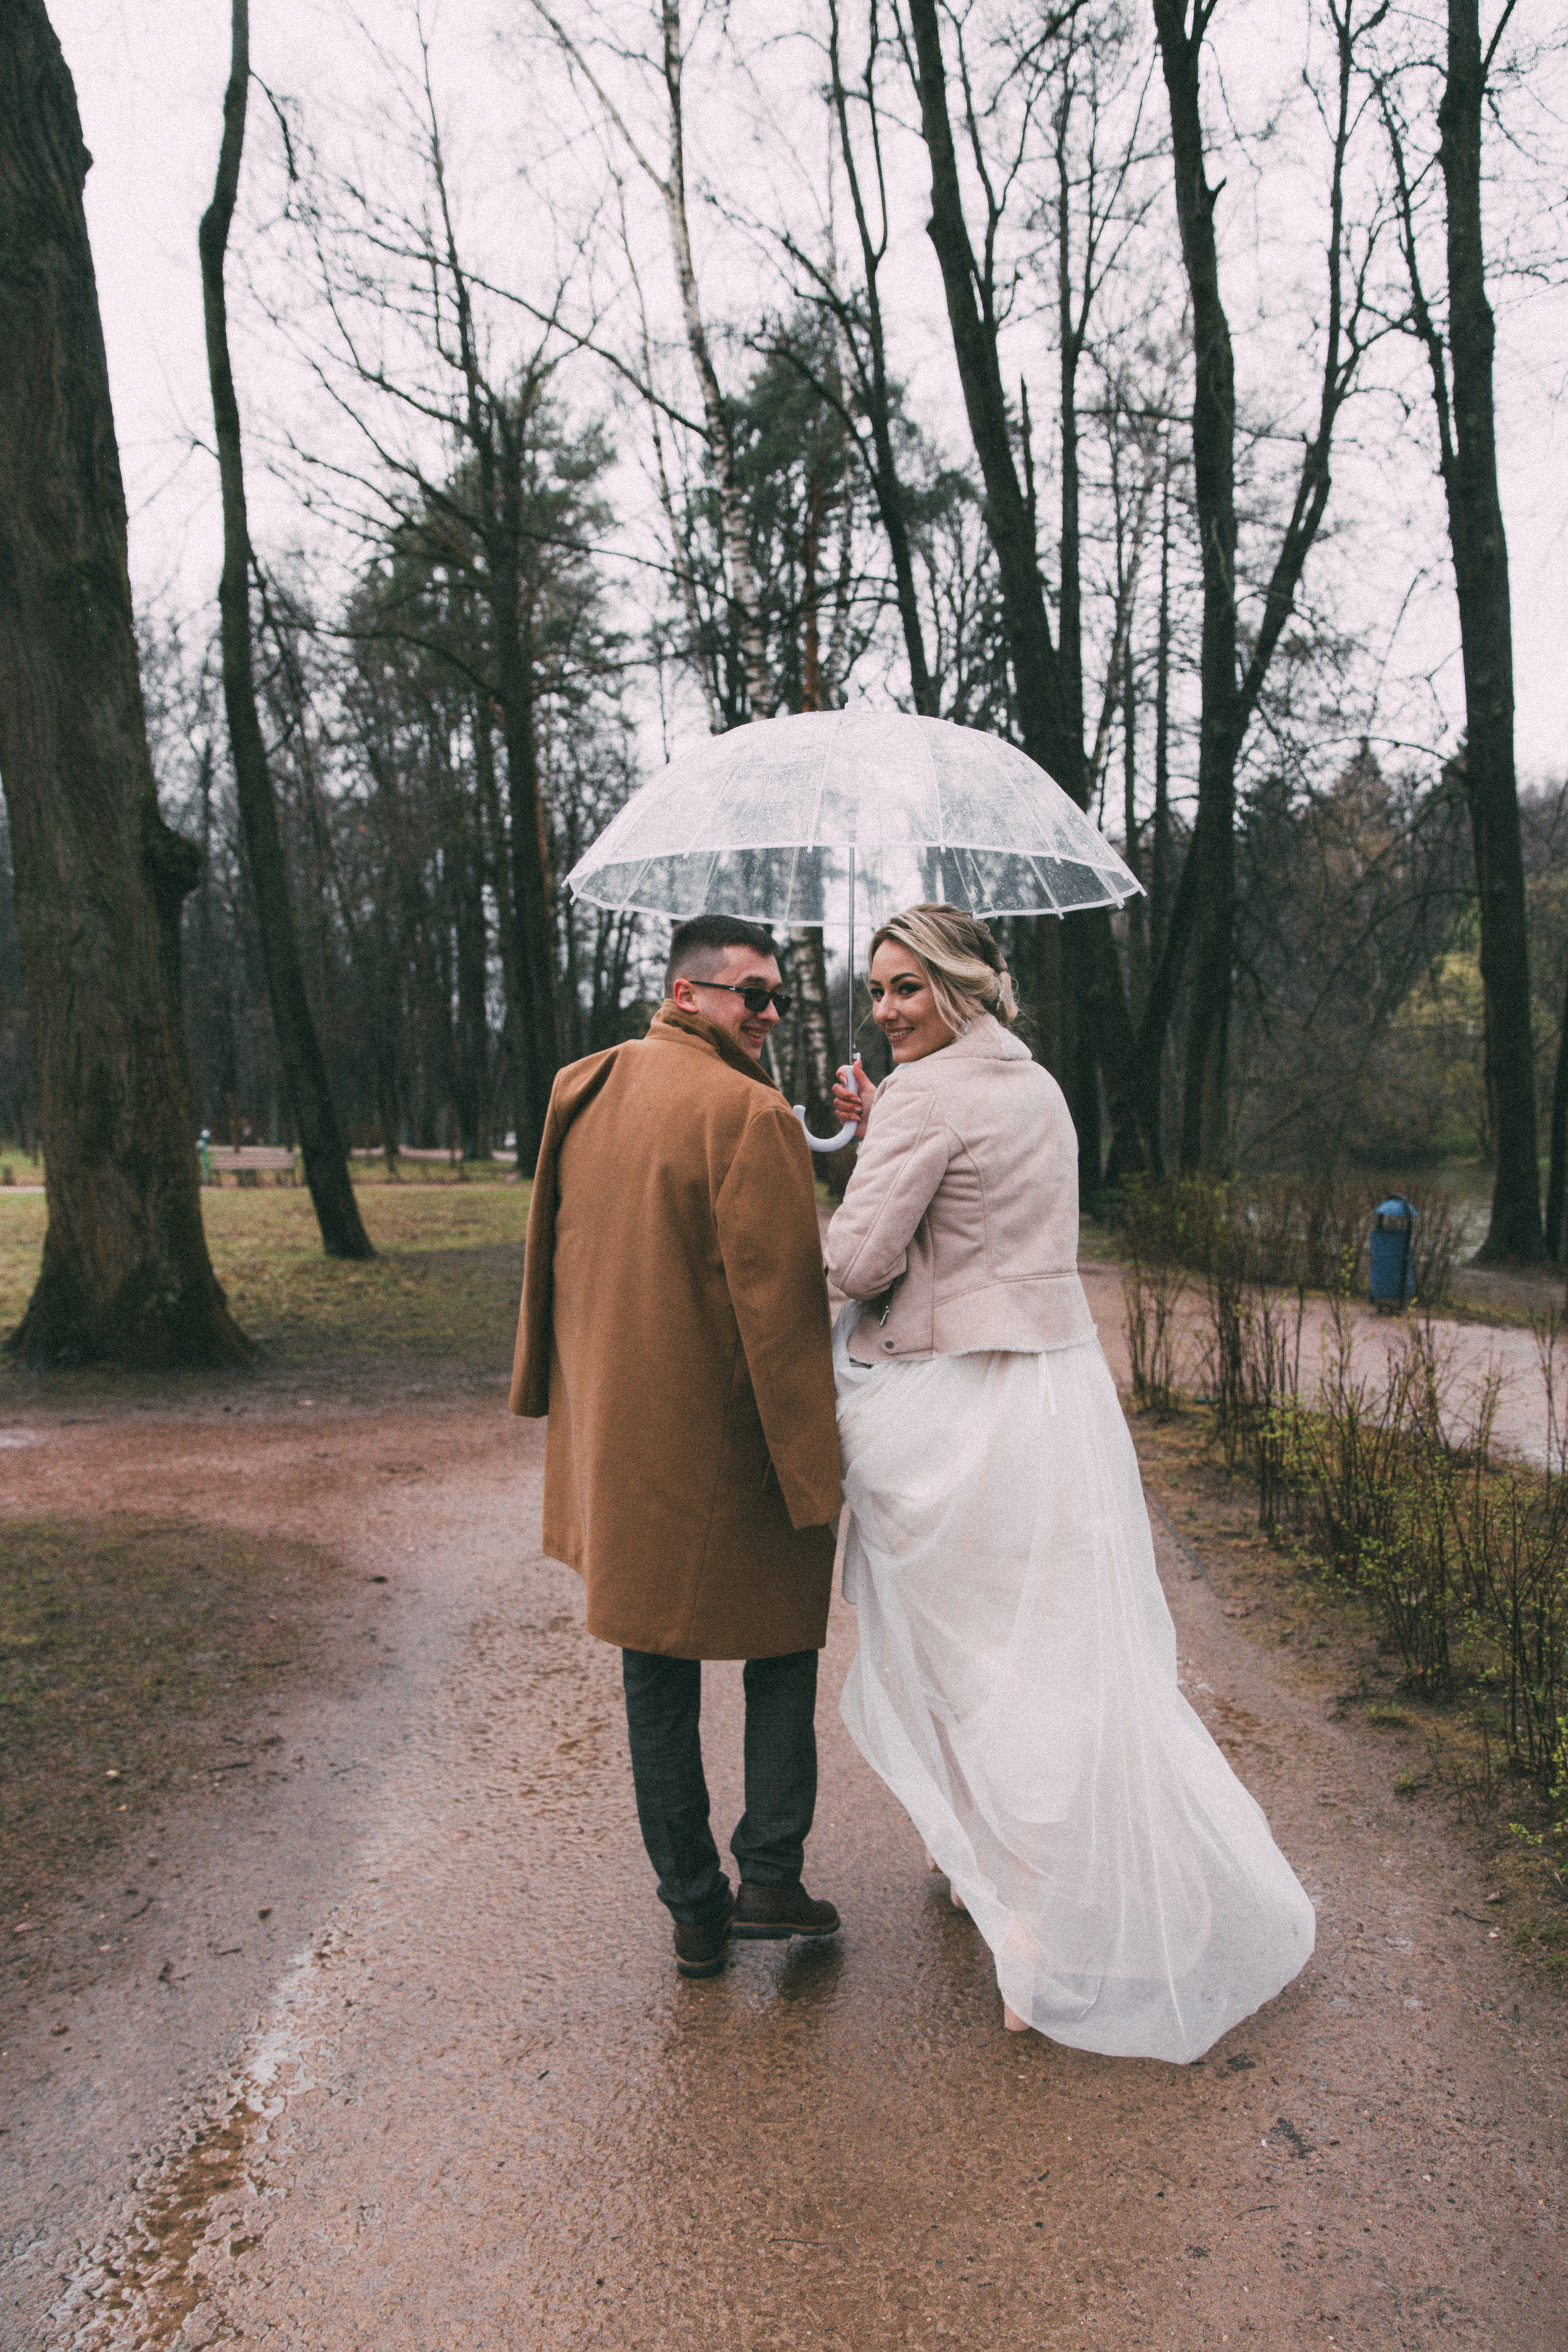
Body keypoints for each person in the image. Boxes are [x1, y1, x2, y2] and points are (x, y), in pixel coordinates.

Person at [826, 904, 1314, 2064]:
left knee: (968, 1663)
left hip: (951, 1408)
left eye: (907, 988)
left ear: (960, 986)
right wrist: (888, 1122)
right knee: (1045, 1648)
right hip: (1050, 1395)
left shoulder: (930, 1099)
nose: (886, 1009)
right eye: (878, 990)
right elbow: (985, 1202)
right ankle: (987, 1867)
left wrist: (837, 1178)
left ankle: (1039, 1935)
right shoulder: (1030, 1080)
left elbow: (857, 1259)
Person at [511, 914, 844, 1980]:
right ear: (688, 992)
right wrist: (817, 1471)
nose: (769, 1013)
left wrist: (546, 1395)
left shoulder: (584, 1085)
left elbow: (548, 1267)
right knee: (782, 1649)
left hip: (620, 1437)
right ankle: (770, 1876)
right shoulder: (750, 1118)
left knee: (653, 1669)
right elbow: (783, 1313)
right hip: (731, 1443)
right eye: (752, 992)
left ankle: (694, 1912)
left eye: (778, 996)